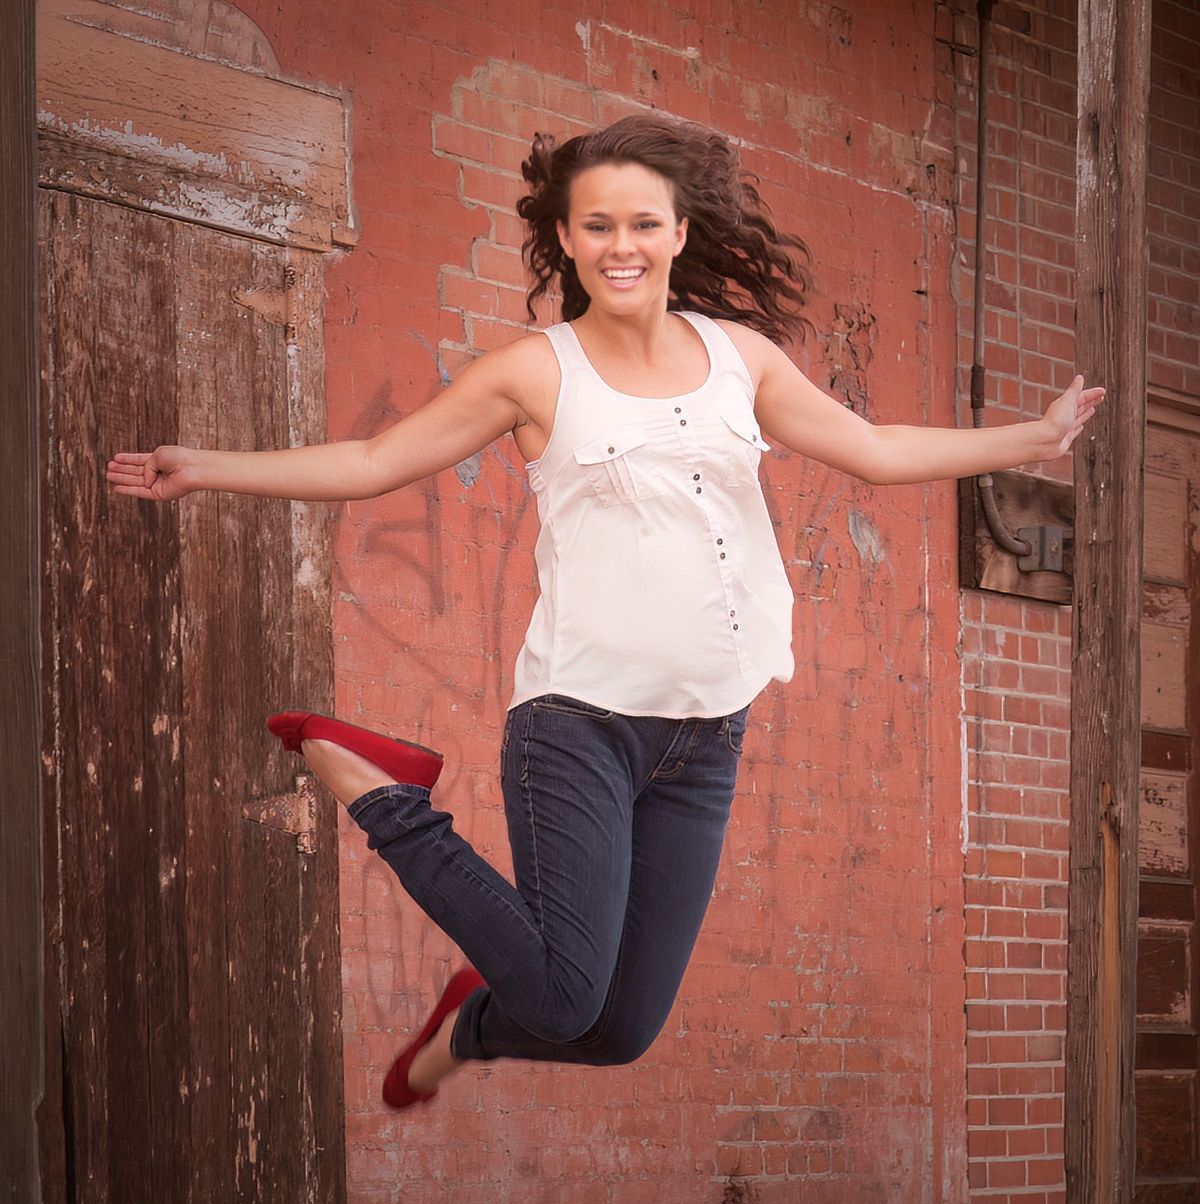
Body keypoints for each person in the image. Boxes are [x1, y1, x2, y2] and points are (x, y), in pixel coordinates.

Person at [106, 114, 1105, 1114]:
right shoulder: (537, 371)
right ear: (566, 238)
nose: (620, 245)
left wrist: (1036, 437)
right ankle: (384, 794)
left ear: (679, 232)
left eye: (642, 223)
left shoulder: (740, 359)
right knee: (564, 994)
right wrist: (208, 469)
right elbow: (373, 464)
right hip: (579, 724)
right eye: (597, 225)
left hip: (705, 737)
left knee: (617, 1031)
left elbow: (877, 452)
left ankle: (467, 1025)